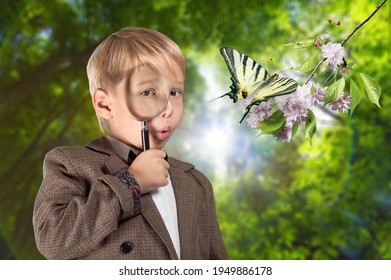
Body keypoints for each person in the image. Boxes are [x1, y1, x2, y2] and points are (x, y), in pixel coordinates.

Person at [32, 27, 228, 260]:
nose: (167, 108)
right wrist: (130, 183)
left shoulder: (195, 183)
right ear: (105, 105)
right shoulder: (70, 164)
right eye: (147, 92)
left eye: (174, 92)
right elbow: (53, 241)